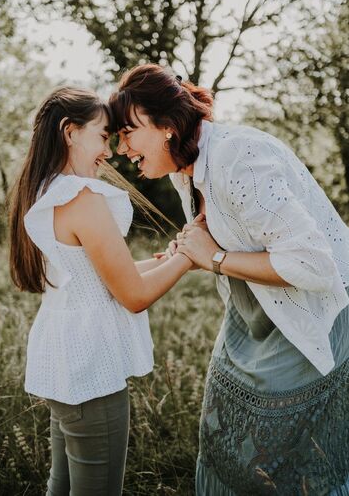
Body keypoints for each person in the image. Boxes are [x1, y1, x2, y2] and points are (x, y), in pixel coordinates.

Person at [108, 64, 349, 496]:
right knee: (222, 432)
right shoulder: (187, 164)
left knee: (281, 457)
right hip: (251, 307)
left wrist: (215, 257)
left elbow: (314, 265)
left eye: (128, 132)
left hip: (308, 313)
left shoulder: (239, 157)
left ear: (165, 126)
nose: (122, 148)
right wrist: (197, 255)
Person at [9, 87, 193, 496]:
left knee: (62, 485)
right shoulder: (82, 199)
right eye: (102, 136)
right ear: (70, 132)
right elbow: (133, 295)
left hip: (62, 363)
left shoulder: (42, 191)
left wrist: (167, 258)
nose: (108, 152)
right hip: (90, 369)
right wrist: (191, 257)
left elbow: (97, 276)